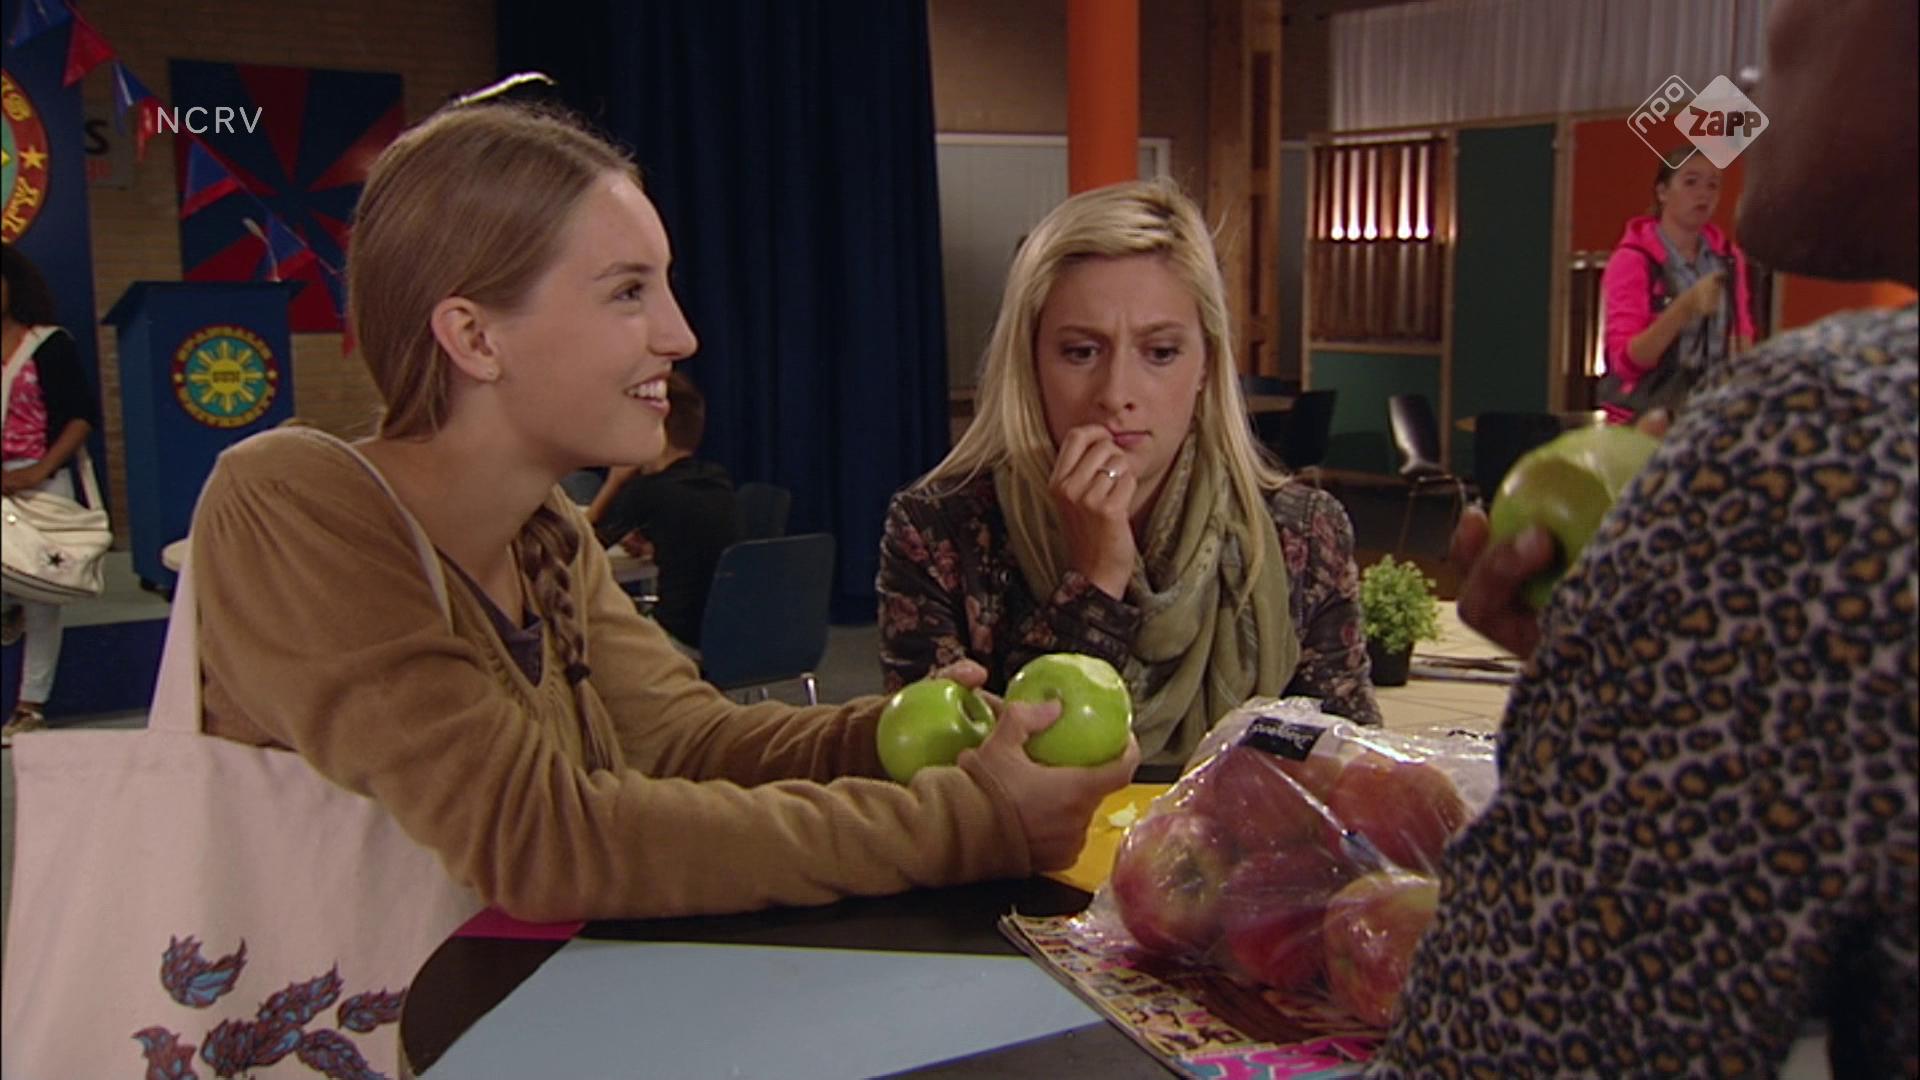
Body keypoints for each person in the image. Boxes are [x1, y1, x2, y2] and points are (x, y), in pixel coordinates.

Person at [186, 99, 1138, 922]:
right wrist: (973, 820)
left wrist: (911, 736)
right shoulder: (290, 503)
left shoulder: (546, 534)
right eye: (628, 292)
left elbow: (691, 743)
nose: (679, 334)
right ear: (473, 337)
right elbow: (540, 839)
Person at [1371, 1, 1917, 1074]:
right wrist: (1645, 674)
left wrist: (1633, 708)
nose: (1772, 35)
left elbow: (1522, 1041)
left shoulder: (1827, 437)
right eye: (1694, 179)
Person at [877, 180, 1379, 768]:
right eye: (1081, 352)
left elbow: (1348, 775)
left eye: (1160, 352)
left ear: (1206, 365)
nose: (1116, 395)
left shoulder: (1304, 531)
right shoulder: (938, 529)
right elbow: (949, 794)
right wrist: (1094, 584)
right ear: (1031, 361)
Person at [1, 246, 104, 746]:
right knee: (17, 585)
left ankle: (31, 706)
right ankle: (10, 604)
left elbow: (80, 416)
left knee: (43, 597)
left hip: (41, 482)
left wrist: (39, 469)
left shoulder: (48, 345)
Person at [1596, 152, 1758, 422]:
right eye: (1691, 182)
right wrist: (1684, 308)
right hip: (1646, 413)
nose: (1703, 194)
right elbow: (1626, 362)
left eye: (1713, 185)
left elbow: (1741, 335)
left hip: (1711, 410)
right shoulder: (1633, 260)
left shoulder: (1729, 258)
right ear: (1663, 192)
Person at [586, 370, 738, 647]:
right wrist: (655, 548)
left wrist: (614, 482)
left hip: (677, 637)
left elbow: (577, 549)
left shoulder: (648, 490)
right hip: (728, 635)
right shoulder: (717, 479)